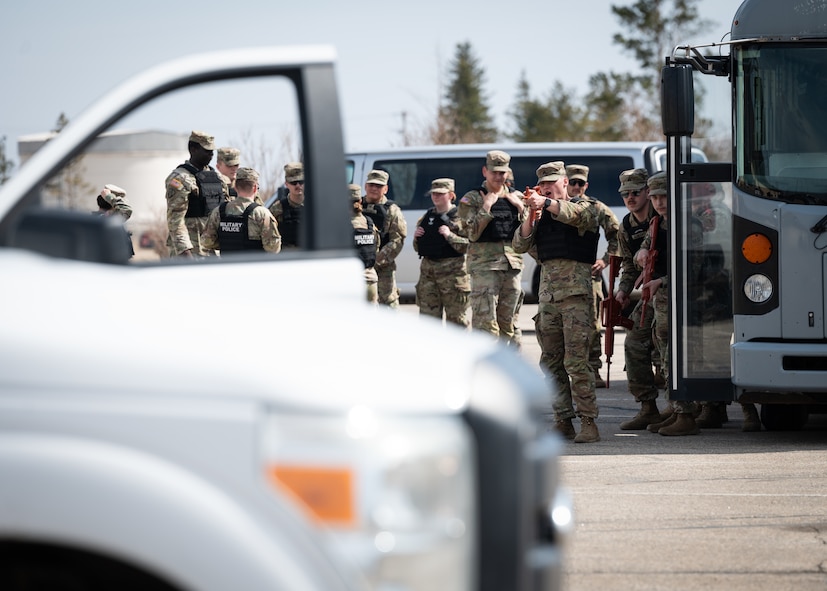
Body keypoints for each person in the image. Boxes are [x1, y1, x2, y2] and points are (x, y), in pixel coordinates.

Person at [513, 161, 602, 443]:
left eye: (554, 182)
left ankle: (589, 422)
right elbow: (519, 244)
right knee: (551, 364)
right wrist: (531, 214)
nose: (549, 187)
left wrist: (546, 202)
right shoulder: (540, 214)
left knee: (577, 363)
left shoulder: (584, 207)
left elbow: (575, 214)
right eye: (544, 184)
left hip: (575, 298)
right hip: (548, 299)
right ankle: (563, 420)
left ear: (566, 182)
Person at [636, 172, 700, 436]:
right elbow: (646, 247)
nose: (660, 202)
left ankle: (686, 415)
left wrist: (662, 281)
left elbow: (692, 268)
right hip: (661, 302)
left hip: (682, 300)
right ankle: (675, 410)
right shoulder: (657, 224)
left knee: (676, 357)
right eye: (655, 197)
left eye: (664, 196)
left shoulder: (688, 224)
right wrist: (640, 253)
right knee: (664, 358)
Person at [611, 168, 664, 430]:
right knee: (634, 343)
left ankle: (693, 408)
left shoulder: (662, 216)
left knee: (668, 349)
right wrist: (622, 290)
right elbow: (629, 267)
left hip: (669, 289)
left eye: (635, 192)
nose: (630, 198)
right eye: (625, 194)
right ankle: (648, 407)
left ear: (647, 192)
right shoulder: (627, 225)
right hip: (648, 294)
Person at [458, 150, 526, 343]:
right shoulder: (472, 199)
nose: (498, 177)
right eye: (494, 172)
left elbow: (530, 231)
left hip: (512, 266)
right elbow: (470, 233)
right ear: (484, 171)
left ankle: (512, 370)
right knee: (485, 325)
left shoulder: (517, 197)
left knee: (510, 326)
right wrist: (486, 206)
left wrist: (521, 208)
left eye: (502, 172)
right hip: (484, 267)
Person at [566, 164, 620, 388]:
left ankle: (593, 370)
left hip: (588, 277)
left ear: (586, 185)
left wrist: (605, 260)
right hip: (560, 277)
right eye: (573, 182)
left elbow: (617, 234)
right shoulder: (554, 206)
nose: (576, 187)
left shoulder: (596, 208)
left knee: (592, 325)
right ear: (565, 183)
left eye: (581, 183)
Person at [412, 178, 470, 327]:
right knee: (429, 323)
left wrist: (450, 236)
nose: (435, 197)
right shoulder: (426, 217)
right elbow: (418, 248)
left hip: (453, 277)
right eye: (433, 194)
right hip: (429, 276)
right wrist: (417, 238)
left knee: (456, 323)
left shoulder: (461, 217)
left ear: (451, 195)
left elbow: (469, 246)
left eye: (440, 193)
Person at [165, 130, 228, 258]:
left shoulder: (217, 177)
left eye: (212, 151)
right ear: (193, 150)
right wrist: (185, 251)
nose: (211, 154)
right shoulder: (180, 178)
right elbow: (175, 220)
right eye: (206, 150)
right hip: (190, 251)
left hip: (212, 249)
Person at [200, 167, 281, 254]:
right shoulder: (261, 214)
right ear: (255, 188)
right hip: (253, 265)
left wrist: (226, 243)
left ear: (235, 187)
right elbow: (273, 248)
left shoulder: (219, 211)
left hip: (226, 265)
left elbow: (206, 241)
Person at [361, 169, 407, 308]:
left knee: (388, 306)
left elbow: (397, 240)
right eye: (371, 185)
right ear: (365, 186)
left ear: (385, 189)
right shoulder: (355, 206)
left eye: (379, 186)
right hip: (360, 268)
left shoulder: (392, 210)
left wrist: (375, 261)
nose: (374, 188)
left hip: (383, 269)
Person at [349, 183, 380, 304]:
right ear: (360, 200)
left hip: (352, 281)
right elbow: (375, 247)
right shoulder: (369, 223)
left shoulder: (341, 225)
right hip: (370, 280)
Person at [269, 162, 305, 249]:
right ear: (286, 184)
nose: (298, 185)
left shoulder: (315, 207)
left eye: (301, 182)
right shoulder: (277, 209)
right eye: (293, 182)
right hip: (287, 258)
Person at [95, 184, 134, 258]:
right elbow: (126, 210)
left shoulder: (94, 220)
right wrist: (110, 197)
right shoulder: (108, 221)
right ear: (113, 206)